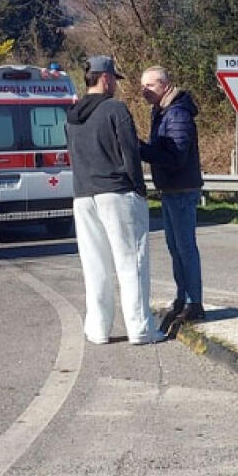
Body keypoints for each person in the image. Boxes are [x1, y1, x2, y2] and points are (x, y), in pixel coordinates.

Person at [65, 55, 162, 345]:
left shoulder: (71, 116)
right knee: (131, 261)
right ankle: (140, 328)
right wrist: (139, 188)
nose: (116, 87)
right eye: (114, 80)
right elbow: (130, 151)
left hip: (83, 195)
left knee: (95, 265)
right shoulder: (115, 109)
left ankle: (97, 329)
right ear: (105, 79)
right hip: (117, 193)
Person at [139, 66, 205, 337]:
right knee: (175, 247)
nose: (144, 91)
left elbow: (176, 155)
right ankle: (183, 297)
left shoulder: (176, 114)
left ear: (165, 85)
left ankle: (193, 301)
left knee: (184, 247)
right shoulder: (162, 112)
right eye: (142, 86)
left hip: (181, 189)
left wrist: (141, 150)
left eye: (149, 86)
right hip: (171, 189)